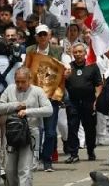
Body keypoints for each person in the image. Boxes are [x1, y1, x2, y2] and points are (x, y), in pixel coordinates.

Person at [0, 67, 53, 186]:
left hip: (30, 134)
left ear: (29, 80)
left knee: (25, 170)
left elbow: (49, 110)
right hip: (12, 135)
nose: (19, 85)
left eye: (23, 82)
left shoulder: (37, 91)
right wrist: (16, 105)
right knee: (9, 170)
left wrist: (28, 111)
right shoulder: (10, 89)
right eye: (17, 81)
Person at [23, 24, 64, 172]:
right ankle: (34, 159)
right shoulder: (29, 51)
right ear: (35, 37)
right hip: (33, 96)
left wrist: (68, 71)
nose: (42, 37)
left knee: (51, 131)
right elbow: (24, 70)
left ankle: (47, 160)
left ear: (50, 35)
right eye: (39, 35)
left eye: (44, 34)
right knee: (33, 130)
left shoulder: (58, 51)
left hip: (52, 96)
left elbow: (65, 67)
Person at [64, 43, 102, 163]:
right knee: (72, 128)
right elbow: (61, 85)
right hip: (73, 102)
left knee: (90, 128)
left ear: (85, 53)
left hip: (88, 101)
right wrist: (64, 77)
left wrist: (96, 99)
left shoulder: (92, 66)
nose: (78, 54)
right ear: (72, 54)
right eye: (75, 52)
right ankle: (73, 154)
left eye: (80, 52)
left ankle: (91, 150)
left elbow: (99, 84)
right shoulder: (68, 67)